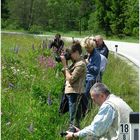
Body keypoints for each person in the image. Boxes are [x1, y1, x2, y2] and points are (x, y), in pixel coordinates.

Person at [65, 83, 133, 140]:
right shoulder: (115, 99)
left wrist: (74, 135)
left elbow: (96, 130)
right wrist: (81, 132)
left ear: (102, 96)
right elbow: (101, 128)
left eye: (94, 99)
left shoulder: (108, 105)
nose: (94, 103)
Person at [60, 42, 86, 129]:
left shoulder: (81, 64)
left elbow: (71, 80)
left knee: (73, 118)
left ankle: (73, 133)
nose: (70, 55)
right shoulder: (75, 62)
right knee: (71, 116)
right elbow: (67, 77)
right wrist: (66, 64)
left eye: (71, 53)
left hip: (75, 93)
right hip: (69, 92)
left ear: (77, 52)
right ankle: (73, 133)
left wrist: (65, 66)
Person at [81, 37, 101, 102]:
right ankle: (86, 110)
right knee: (84, 96)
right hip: (86, 78)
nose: (86, 50)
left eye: (88, 48)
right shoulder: (90, 53)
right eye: (86, 48)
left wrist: (87, 63)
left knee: (87, 98)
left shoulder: (96, 55)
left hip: (91, 80)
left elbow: (96, 70)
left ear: (92, 47)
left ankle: (88, 110)